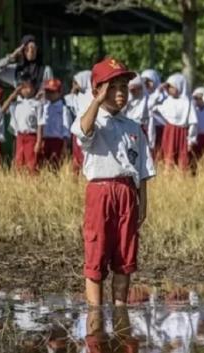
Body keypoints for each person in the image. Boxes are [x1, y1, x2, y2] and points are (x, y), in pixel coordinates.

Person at [70, 57, 155, 307]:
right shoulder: (91, 119)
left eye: (124, 87)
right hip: (100, 193)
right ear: (98, 90)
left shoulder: (133, 126)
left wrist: (143, 202)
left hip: (128, 193)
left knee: (125, 256)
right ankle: (95, 319)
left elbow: (143, 168)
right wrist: (96, 101)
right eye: (113, 87)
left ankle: (121, 313)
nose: (120, 93)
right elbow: (83, 132)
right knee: (96, 254)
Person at [149, 73, 197, 170]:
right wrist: (158, 91)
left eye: (171, 87)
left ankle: (181, 179)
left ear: (179, 86)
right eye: (168, 87)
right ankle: (169, 177)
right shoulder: (167, 102)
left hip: (182, 133)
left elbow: (193, 123)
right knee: (168, 156)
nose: (169, 89)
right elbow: (150, 107)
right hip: (169, 132)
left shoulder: (187, 103)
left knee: (182, 158)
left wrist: (191, 139)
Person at [6, 76, 43, 174]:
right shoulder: (17, 103)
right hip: (19, 137)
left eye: (29, 87)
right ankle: (20, 183)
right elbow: (3, 109)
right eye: (23, 87)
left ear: (34, 88)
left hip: (31, 137)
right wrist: (14, 94)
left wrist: (39, 141)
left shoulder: (37, 104)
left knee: (31, 162)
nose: (26, 90)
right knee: (19, 161)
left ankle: (31, 183)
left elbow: (40, 124)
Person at [40, 78, 72, 170]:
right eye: (48, 91)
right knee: (44, 164)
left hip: (57, 141)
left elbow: (66, 128)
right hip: (45, 140)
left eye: (52, 92)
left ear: (59, 93)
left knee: (55, 164)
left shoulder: (63, 109)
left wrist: (65, 144)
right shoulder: (44, 107)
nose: (49, 94)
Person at [66, 70, 92, 175]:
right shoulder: (77, 96)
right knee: (76, 156)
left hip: (86, 129)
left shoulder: (91, 95)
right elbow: (68, 102)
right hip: (77, 130)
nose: (74, 85)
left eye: (76, 82)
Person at [142, 69, 165, 156]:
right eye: (145, 81)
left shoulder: (162, 95)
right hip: (146, 127)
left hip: (159, 127)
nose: (147, 84)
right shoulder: (141, 95)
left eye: (149, 81)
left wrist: (158, 92)